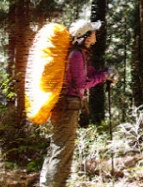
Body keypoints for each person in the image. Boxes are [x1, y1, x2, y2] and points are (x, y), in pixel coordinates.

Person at [40, 19, 119, 187]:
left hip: (65, 104)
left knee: (58, 146)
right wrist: (103, 76)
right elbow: (82, 83)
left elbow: (89, 74)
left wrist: (105, 72)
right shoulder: (76, 55)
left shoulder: (78, 54)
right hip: (68, 104)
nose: (96, 35)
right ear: (86, 37)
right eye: (93, 32)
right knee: (63, 149)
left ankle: (46, 183)